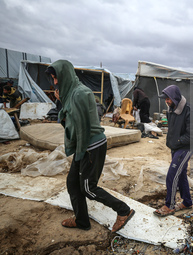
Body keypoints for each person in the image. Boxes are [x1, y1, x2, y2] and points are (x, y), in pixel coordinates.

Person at [45, 60, 134, 232]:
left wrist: (80, 153)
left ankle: (123, 210)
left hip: (90, 146)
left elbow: (81, 127)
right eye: (53, 79)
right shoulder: (70, 93)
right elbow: (68, 120)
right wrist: (61, 101)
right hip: (84, 145)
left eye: (57, 78)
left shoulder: (79, 94)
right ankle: (82, 221)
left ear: (66, 75)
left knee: (87, 188)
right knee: (72, 183)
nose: (55, 82)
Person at [154, 85, 193, 217]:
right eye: (165, 99)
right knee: (180, 175)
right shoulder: (171, 110)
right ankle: (187, 202)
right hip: (175, 147)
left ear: (175, 98)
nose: (166, 101)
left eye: (168, 98)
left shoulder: (190, 110)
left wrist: (178, 142)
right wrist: (172, 143)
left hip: (185, 148)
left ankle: (169, 205)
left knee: (172, 175)